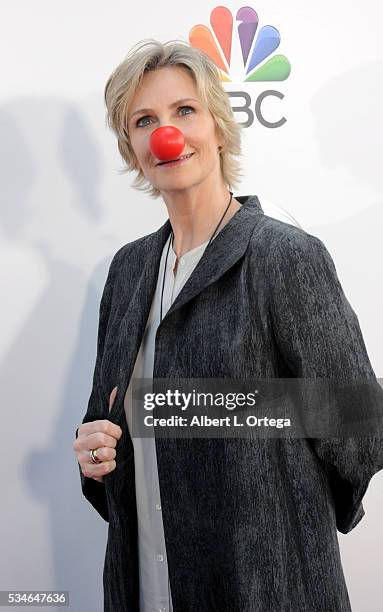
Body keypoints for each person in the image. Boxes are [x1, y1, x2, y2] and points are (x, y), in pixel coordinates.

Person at [73, 39, 383, 612]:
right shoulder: (127, 271)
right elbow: (111, 418)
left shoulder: (283, 255)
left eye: (184, 111)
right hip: (146, 587)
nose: (166, 134)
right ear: (132, 146)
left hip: (264, 587)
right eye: (145, 120)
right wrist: (97, 452)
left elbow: (361, 420)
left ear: (218, 126)